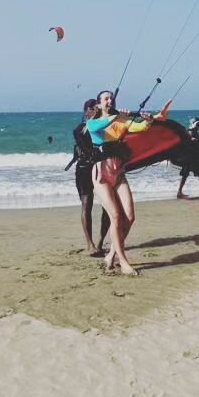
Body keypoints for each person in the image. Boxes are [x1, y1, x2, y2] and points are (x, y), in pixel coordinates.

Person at [86, 89, 156, 276]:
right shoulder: (93, 122)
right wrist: (118, 118)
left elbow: (139, 128)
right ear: (99, 104)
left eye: (112, 98)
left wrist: (148, 120)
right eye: (106, 99)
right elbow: (98, 127)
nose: (110, 100)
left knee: (130, 217)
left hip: (118, 173)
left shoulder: (120, 121)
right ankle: (123, 262)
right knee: (115, 217)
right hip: (101, 173)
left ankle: (110, 255)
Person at [66, 99, 111, 255]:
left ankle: (99, 243)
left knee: (107, 205)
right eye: (93, 108)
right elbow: (84, 142)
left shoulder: (103, 127)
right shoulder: (79, 129)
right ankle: (89, 244)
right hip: (85, 169)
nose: (96, 110)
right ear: (87, 110)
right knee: (87, 204)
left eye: (97, 108)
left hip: (102, 168)